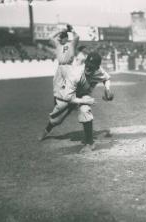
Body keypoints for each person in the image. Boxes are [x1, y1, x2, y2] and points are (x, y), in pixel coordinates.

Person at [39, 25, 96, 153]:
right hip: (60, 70)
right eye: (60, 37)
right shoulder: (58, 45)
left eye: (62, 37)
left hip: (69, 69)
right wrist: (59, 30)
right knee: (59, 103)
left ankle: (74, 106)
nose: (60, 38)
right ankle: (48, 128)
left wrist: (71, 30)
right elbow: (49, 37)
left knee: (72, 96)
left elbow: (77, 36)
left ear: (66, 38)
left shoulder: (71, 44)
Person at [74, 52, 114, 152]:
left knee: (84, 111)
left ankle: (90, 142)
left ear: (97, 67)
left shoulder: (99, 71)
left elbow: (107, 78)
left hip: (84, 94)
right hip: (70, 93)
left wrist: (108, 89)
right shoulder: (77, 71)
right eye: (87, 64)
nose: (88, 68)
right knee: (57, 117)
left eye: (91, 66)